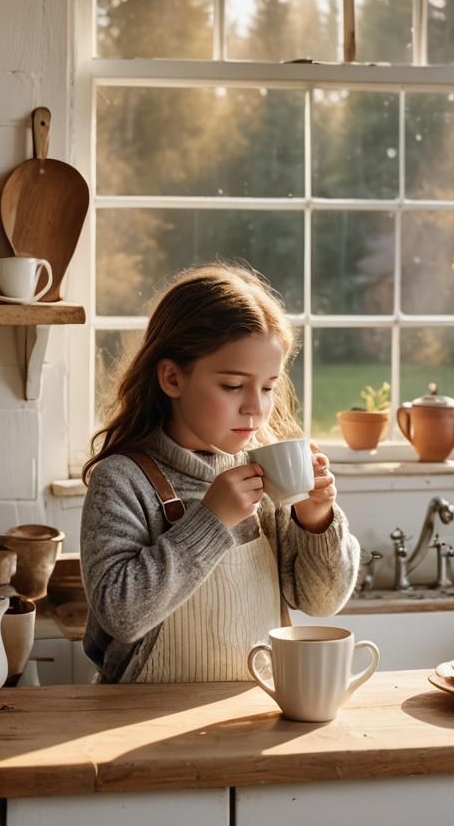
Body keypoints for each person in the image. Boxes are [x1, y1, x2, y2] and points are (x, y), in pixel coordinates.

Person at [80, 263, 361, 683]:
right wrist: (212, 521)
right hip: (135, 722)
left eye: (268, 386)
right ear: (173, 378)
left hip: (252, 710)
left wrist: (316, 520)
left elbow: (321, 603)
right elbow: (121, 614)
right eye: (232, 386)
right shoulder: (122, 480)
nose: (256, 407)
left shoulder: (268, 475)